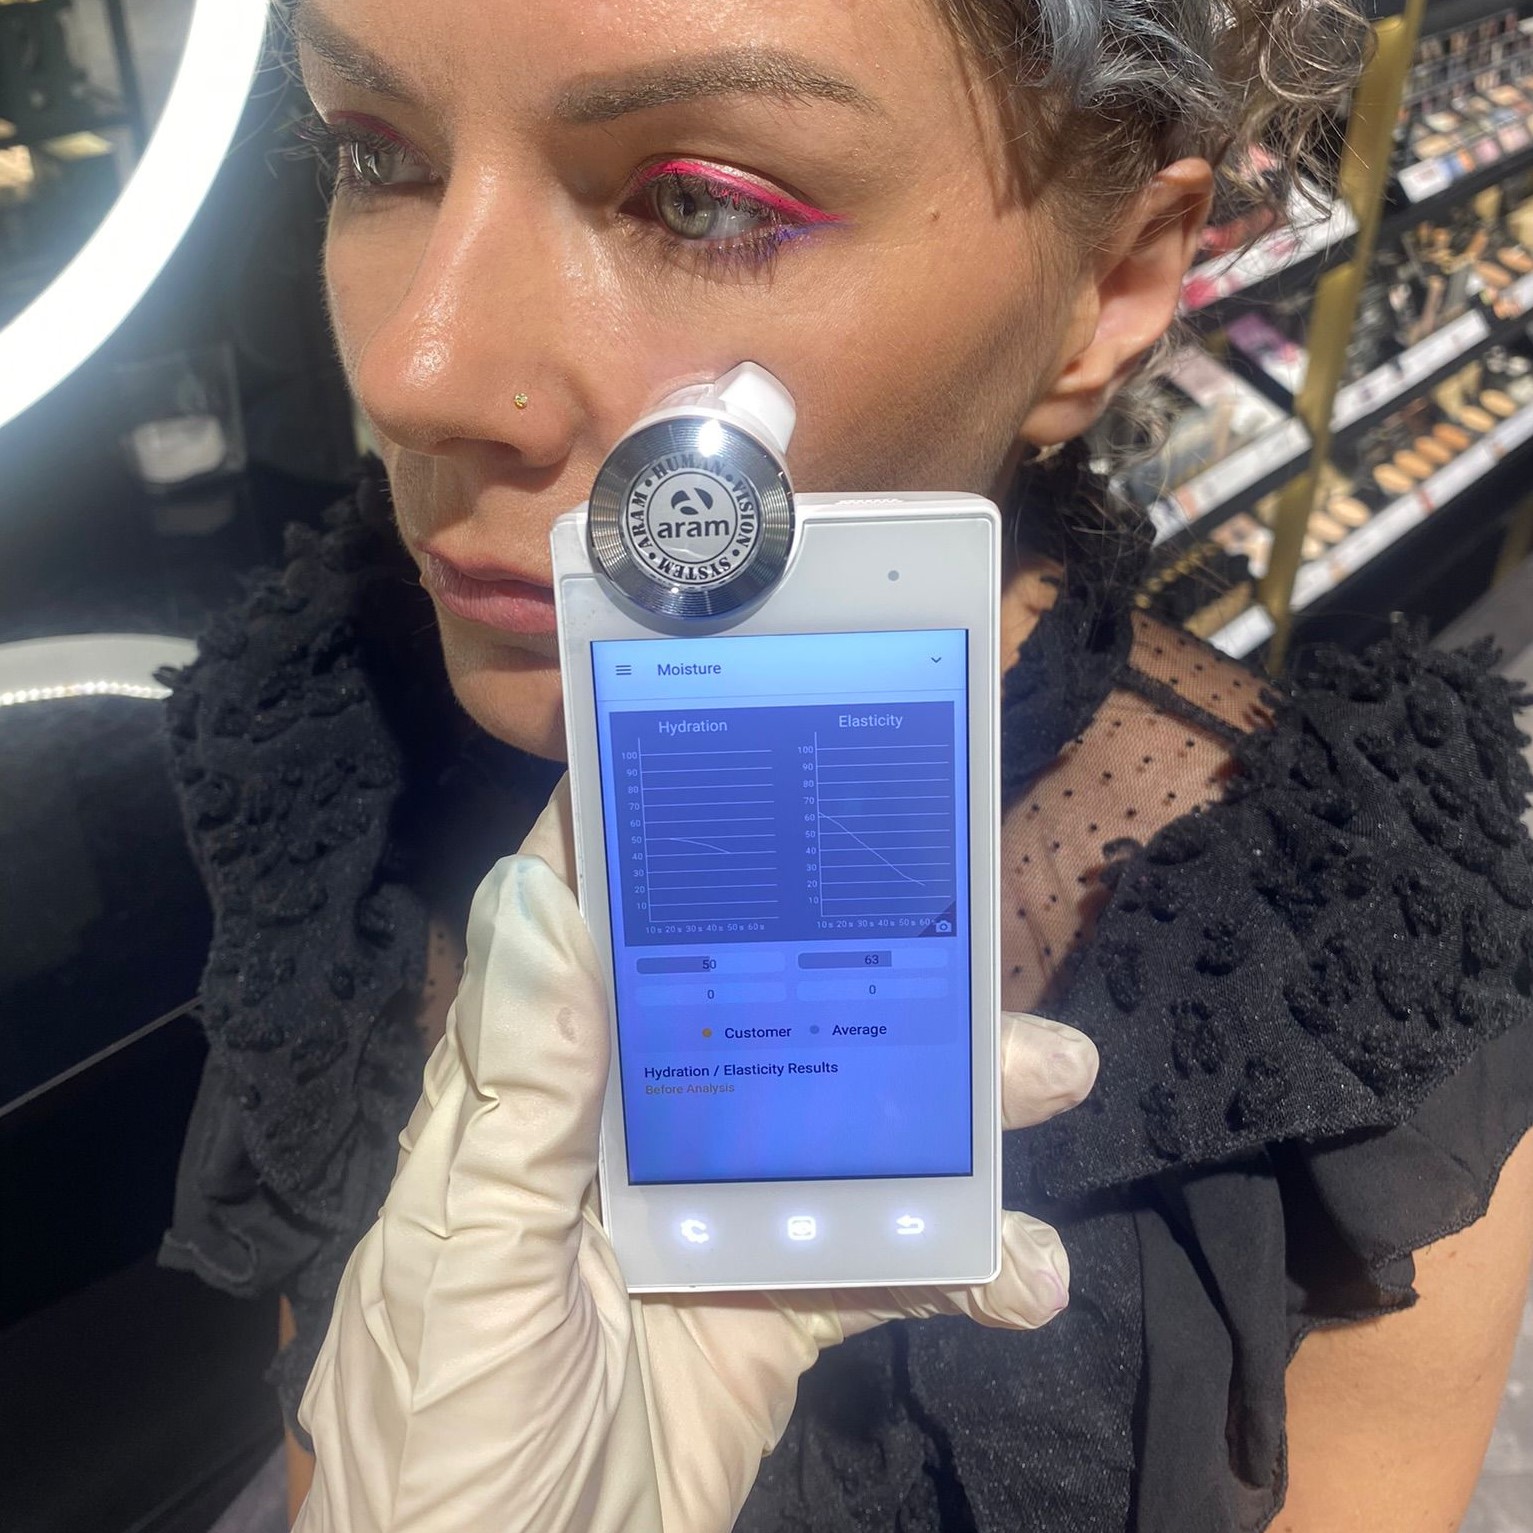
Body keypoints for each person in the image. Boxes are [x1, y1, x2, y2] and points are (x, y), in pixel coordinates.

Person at [154, 0, 1533, 1527]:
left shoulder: (1357, 984)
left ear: (1110, 285)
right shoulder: (329, 749)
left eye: (701, 203)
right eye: (374, 153)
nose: (417, 370)